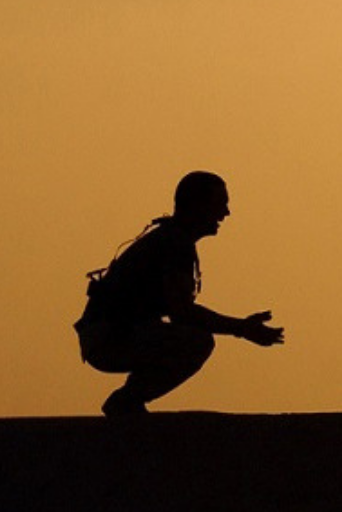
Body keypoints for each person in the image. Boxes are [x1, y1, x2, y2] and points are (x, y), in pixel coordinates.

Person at [74, 171, 284, 416]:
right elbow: (182, 313)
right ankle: (127, 401)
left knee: (188, 340)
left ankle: (129, 401)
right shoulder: (174, 244)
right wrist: (242, 328)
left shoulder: (172, 240)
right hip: (110, 338)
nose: (226, 213)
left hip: (111, 335)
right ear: (197, 205)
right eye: (220, 204)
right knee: (196, 342)